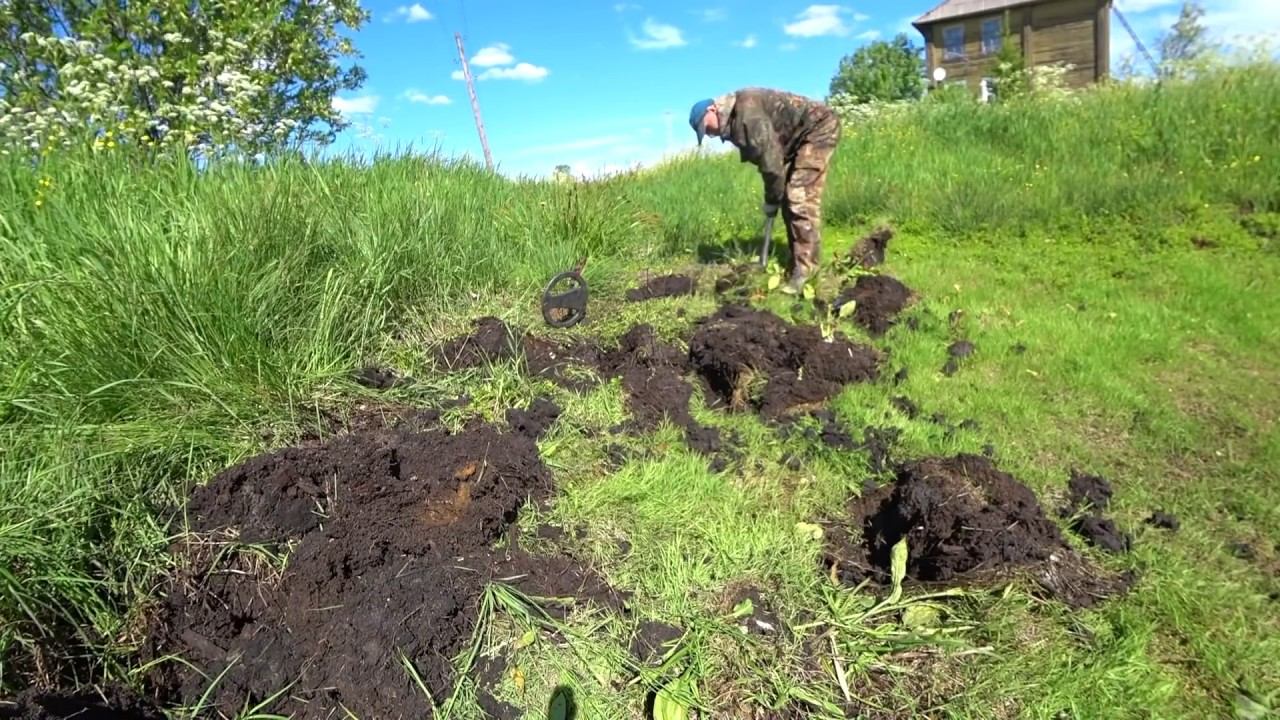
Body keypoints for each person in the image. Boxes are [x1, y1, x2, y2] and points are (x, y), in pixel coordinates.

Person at [689, 88, 841, 293]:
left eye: (705, 127)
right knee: (790, 199)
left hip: (818, 129)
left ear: (712, 109)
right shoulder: (735, 119)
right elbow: (769, 160)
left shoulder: (747, 114)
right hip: (797, 139)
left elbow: (771, 164)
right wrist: (776, 197)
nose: (708, 134)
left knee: (799, 198)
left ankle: (807, 273)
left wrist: (771, 200)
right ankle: (796, 261)